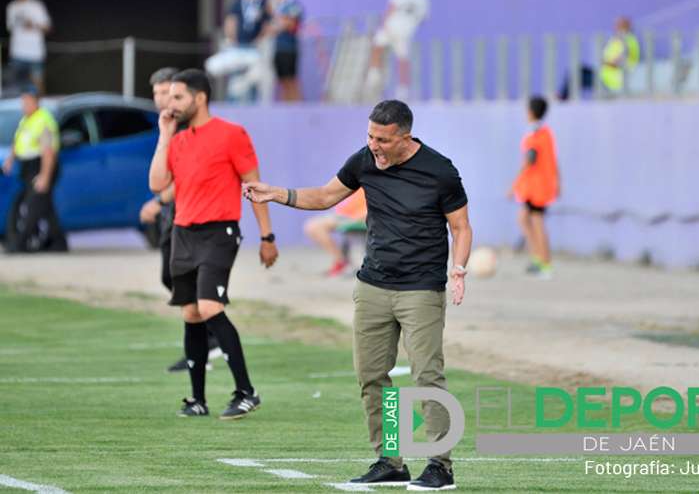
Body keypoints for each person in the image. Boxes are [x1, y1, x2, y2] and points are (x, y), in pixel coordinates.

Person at [244, 100, 472, 490]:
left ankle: (440, 465)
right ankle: (391, 459)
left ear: (404, 137)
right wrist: (276, 193)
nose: (374, 145)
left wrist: (459, 269)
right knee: (372, 377)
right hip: (372, 286)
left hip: (421, 289)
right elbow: (324, 196)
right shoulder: (364, 160)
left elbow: (461, 227)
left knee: (427, 377)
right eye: (369, 136)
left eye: (382, 139)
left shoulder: (440, 171)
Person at [148, 69, 279, 419]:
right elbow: (158, 184)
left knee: (208, 307)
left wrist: (267, 236)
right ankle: (197, 400)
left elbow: (254, 187)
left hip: (218, 232)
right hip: (183, 233)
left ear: (199, 97)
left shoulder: (231, 134)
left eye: (177, 97)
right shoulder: (176, 140)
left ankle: (246, 392)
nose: (169, 104)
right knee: (190, 312)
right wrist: (163, 136)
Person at [137, 67, 223, 373]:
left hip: (189, 216)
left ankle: (208, 344)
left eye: (168, 93)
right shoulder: (167, 127)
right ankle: (206, 343)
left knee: (187, 283)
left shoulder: (188, 129)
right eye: (158, 94)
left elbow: (184, 176)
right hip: (174, 214)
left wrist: (158, 201)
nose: (162, 100)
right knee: (171, 278)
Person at [2, 84, 66, 253]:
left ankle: (19, 245)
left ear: (36, 101)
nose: (24, 105)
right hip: (28, 168)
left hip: (41, 167)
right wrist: (9, 160)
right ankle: (59, 244)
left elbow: (48, 152)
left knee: (33, 206)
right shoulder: (26, 120)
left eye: (27, 101)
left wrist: (44, 176)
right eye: (23, 102)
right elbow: (18, 142)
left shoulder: (44, 120)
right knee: (45, 207)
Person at [509, 96, 559, 279]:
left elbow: (529, 161)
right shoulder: (546, 133)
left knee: (537, 223)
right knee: (524, 219)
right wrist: (557, 182)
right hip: (542, 185)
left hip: (536, 187)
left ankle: (545, 263)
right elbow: (554, 159)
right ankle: (538, 258)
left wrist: (514, 185)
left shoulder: (535, 135)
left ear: (530, 112)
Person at [204, 0, 274, 102]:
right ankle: (233, 105)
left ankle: (251, 107)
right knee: (231, 77)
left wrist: (259, 40)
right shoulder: (237, 1)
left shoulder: (263, 1)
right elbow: (230, 21)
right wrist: (231, 40)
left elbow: (268, 23)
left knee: (255, 78)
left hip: (254, 48)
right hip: (237, 47)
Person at [365, 0, 429, 101]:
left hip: (391, 26)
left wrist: (384, 23)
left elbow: (391, 8)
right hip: (405, 31)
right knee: (402, 59)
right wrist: (410, 24)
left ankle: (374, 75)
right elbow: (423, 18)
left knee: (377, 46)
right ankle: (403, 89)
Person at [303, 188, 367, 277]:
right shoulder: (360, 179)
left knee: (315, 227)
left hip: (360, 217)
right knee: (312, 226)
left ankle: (343, 262)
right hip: (347, 215)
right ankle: (341, 261)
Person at [5, 0, 51, 94]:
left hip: (35, 53)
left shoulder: (37, 5)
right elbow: (10, 28)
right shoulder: (11, 6)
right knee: (15, 87)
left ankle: (41, 108)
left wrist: (33, 24)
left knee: (38, 85)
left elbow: (47, 28)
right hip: (17, 53)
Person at [271, 0, 305, 101]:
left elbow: (293, 24)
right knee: (283, 82)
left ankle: (298, 109)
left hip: (289, 48)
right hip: (277, 48)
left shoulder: (292, 3)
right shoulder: (272, 4)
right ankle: (288, 108)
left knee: (291, 81)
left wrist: (280, 24)